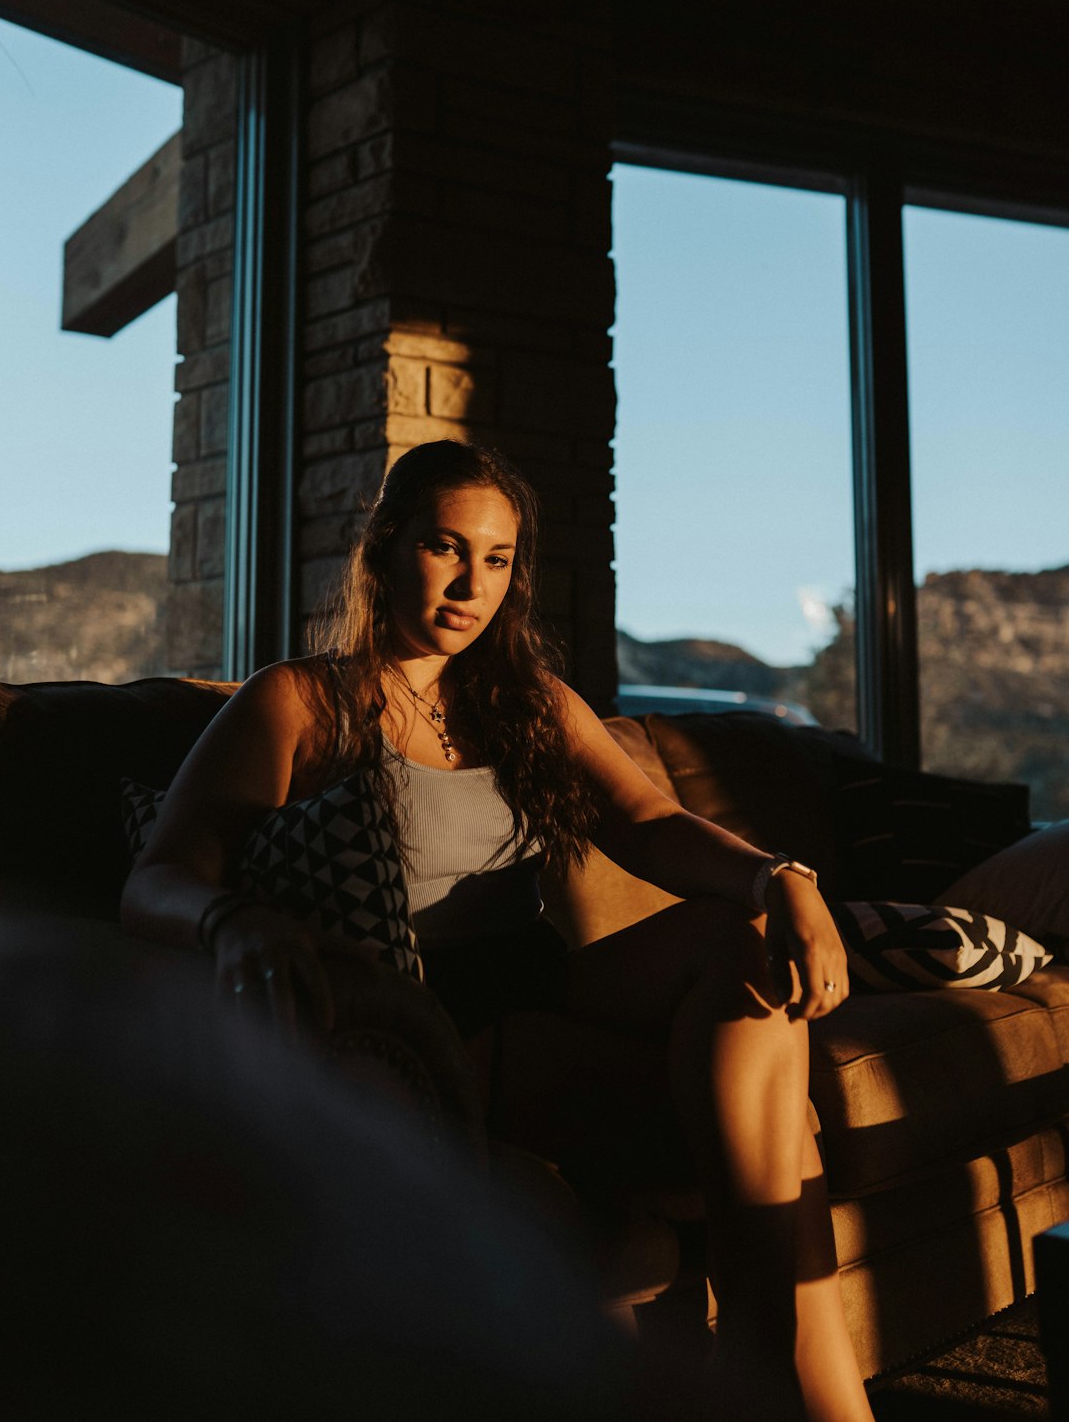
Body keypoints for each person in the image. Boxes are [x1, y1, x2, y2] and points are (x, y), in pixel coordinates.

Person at [122, 438, 874, 1422]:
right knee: (786, 1135)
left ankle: (764, 1371)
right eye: (444, 547)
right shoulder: (299, 701)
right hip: (433, 1024)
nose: (471, 581)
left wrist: (781, 881)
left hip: (543, 986)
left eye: (498, 558)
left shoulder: (523, 704)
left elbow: (647, 824)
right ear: (386, 549)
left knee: (744, 958)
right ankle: (786, 1379)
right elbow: (156, 880)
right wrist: (235, 920)